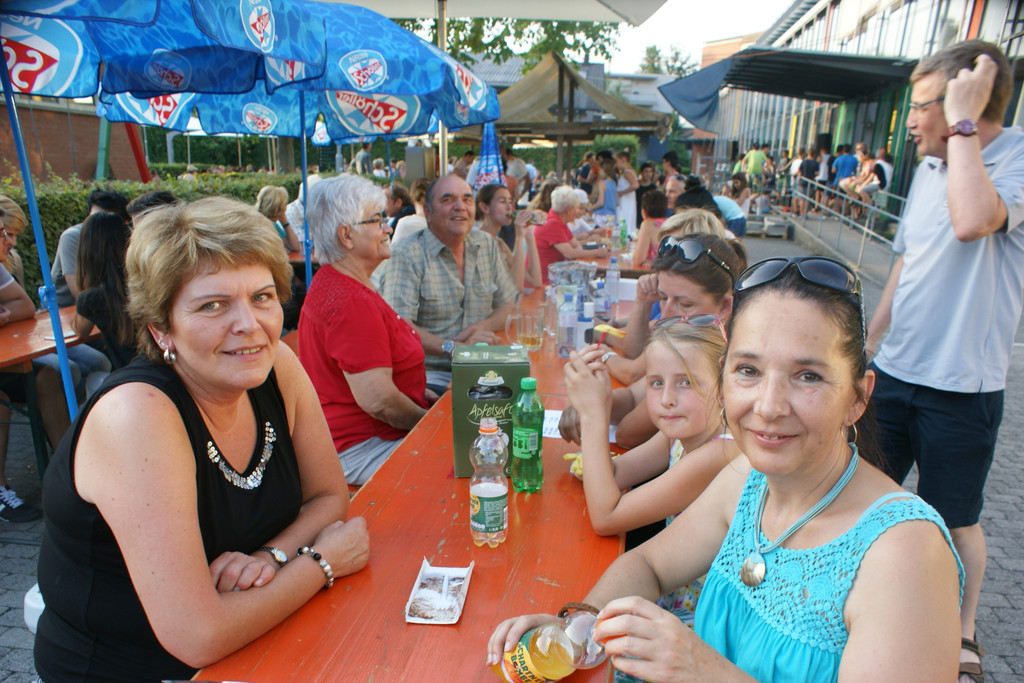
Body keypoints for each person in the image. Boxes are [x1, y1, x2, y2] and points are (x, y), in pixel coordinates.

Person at [491, 256, 963, 683]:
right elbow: (648, 565)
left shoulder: (905, 553)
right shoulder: (748, 479)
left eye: (808, 376)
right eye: (749, 370)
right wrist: (579, 624)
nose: (769, 406)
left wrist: (702, 670)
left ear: (858, 397)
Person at [34, 197, 370, 682]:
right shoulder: (137, 415)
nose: (249, 325)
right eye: (213, 305)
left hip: (257, 641)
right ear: (161, 329)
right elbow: (198, 636)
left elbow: (329, 496)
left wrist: (269, 557)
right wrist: (320, 563)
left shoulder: (275, 365)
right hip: (133, 668)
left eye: (262, 297)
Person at [865, 40, 1024, 683]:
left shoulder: (1012, 159)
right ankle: (861, 600)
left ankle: (961, 631)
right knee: (862, 491)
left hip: (963, 385)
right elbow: (907, 261)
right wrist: (869, 342)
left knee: (954, 518)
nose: (908, 121)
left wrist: (961, 124)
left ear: (969, 101)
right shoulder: (931, 166)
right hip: (895, 371)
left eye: (921, 105)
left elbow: (973, 219)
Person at [299, 175, 437, 486]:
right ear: (346, 236)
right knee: (476, 459)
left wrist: (417, 392)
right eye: (377, 221)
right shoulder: (351, 301)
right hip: (363, 447)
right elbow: (379, 401)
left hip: (353, 441)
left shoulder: (336, 280)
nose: (387, 228)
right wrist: (431, 422)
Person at [560, 232, 746, 450]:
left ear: (725, 306)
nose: (665, 315)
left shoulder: (718, 360)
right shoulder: (687, 343)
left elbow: (627, 434)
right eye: (663, 298)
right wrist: (591, 401)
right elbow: (632, 396)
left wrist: (593, 412)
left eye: (685, 304)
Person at [381, 175, 518, 394]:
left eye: (467, 199)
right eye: (448, 200)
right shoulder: (407, 255)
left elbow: (508, 306)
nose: (460, 206)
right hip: (430, 375)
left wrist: (480, 328)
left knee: (530, 394)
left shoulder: (486, 244)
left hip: (480, 364)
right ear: (428, 212)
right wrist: (451, 347)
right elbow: (399, 328)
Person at [0, 255, 48, 522]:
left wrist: (5, 315)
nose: (9, 242)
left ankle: (64, 471)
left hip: (7, 361)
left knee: (47, 377)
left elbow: (25, 306)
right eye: (3, 236)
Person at [71, 212, 136, 369]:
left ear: (86, 250)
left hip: (129, 373)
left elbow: (80, 331)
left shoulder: (92, 298)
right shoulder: (142, 283)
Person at [535, 186, 610, 285]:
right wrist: (598, 252)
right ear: (569, 210)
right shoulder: (553, 224)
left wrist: (578, 252)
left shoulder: (559, 220)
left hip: (555, 277)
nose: (578, 212)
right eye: (577, 208)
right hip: (545, 281)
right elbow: (570, 253)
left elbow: (575, 245)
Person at [474, 183, 542, 291]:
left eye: (510, 201)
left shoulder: (499, 243)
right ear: (485, 208)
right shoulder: (479, 243)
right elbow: (516, 288)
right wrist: (519, 238)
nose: (509, 207)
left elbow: (535, 281)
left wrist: (529, 236)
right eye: (502, 201)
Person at [255, 186, 300, 253]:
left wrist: (285, 222)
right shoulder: (257, 225)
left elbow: (295, 246)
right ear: (279, 207)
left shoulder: (274, 224)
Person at [632, 190, 668, 268]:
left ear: (644, 211)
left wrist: (646, 259)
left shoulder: (647, 225)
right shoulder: (670, 222)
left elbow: (638, 260)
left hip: (656, 272)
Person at [615, 151, 639, 238]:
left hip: (625, 203)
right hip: (628, 201)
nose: (616, 164)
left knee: (623, 224)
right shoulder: (631, 171)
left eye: (617, 161)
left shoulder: (627, 172)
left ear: (623, 159)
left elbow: (635, 185)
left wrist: (621, 193)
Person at [589, 157, 618, 226]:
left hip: (601, 215)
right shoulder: (613, 183)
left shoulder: (602, 183)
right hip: (612, 215)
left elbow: (601, 203)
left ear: (603, 170)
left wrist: (589, 208)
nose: (599, 171)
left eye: (599, 169)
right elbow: (617, 202)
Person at [635, 161, 658, 227]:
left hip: (649, 216)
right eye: (646, 171)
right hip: (636, 215)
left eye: (650, 172)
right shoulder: (636, 186)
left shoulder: (654, 187)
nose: (648, 174)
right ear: (641, 172)